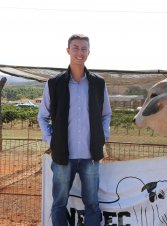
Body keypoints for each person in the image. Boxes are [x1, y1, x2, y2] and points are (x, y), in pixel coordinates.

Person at [38, 34, 112, 226]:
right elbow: (42, 116)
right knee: (59, 204)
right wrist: (51, 140)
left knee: (93, 205)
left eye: (84, 48)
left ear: (89, 52)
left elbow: (106, 115)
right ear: (68, 50)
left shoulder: (98, 83)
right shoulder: (54, 84)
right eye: (76, 48)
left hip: (91, 157)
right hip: (63, 157)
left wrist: (103, 137)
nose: (80, 52)